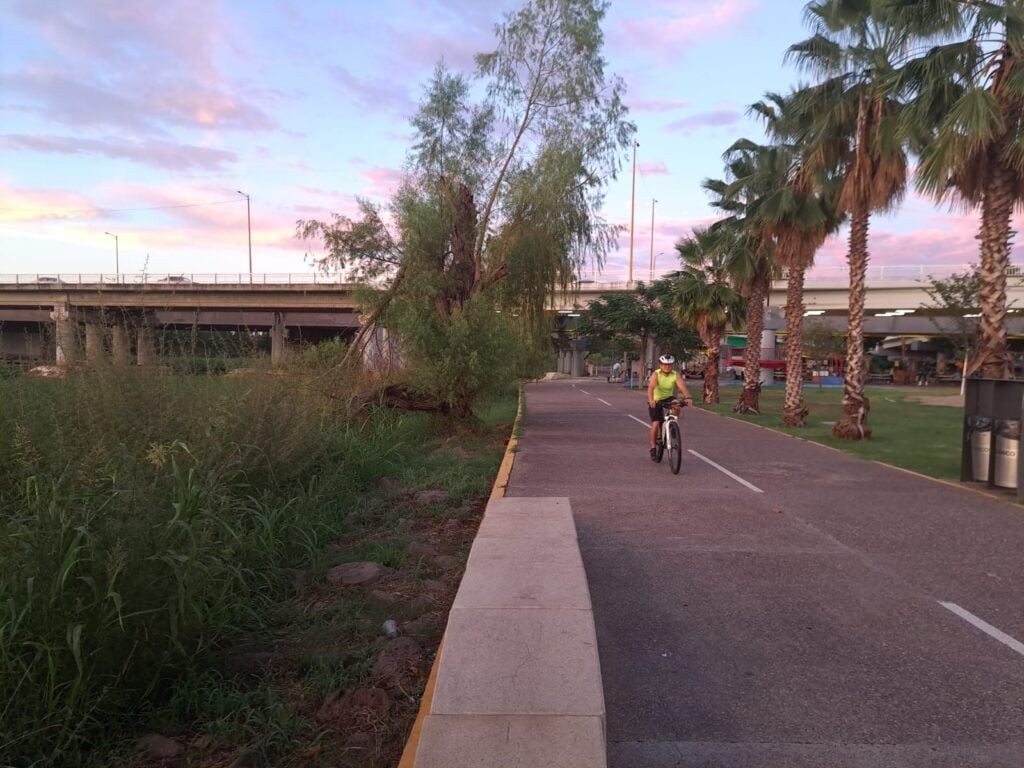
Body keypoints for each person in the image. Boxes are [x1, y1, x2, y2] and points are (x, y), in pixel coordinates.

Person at [647, 354, 694, 459]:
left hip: (668, 397)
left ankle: (672, 425)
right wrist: (651, 400)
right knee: (655, 423)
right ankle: (653, 447)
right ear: (660, 365)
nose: (666, 367)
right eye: (664, 365)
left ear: (671, 365)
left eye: (669, 365)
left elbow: (682, 386)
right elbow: (651, 388)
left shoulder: (675, 374)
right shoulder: (656, 374)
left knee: (677, 404)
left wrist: (688, 397)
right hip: (656, 399)